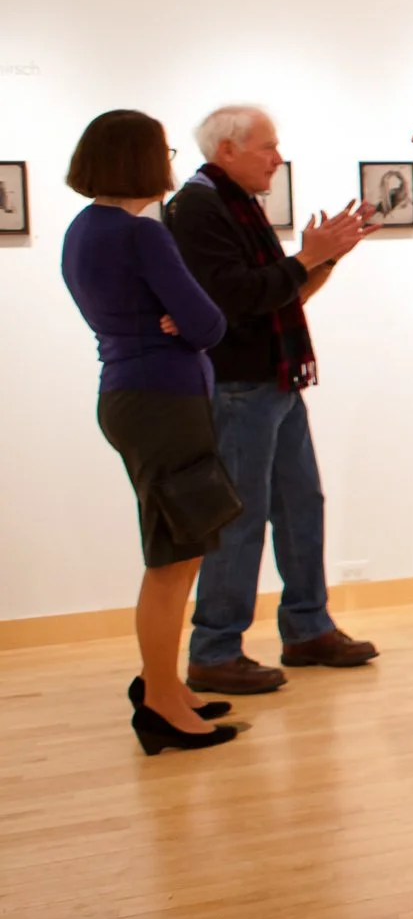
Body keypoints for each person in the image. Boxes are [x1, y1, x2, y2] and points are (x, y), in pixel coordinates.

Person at [166, 106, 377, 695]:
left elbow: (283, 295)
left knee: (301, 505)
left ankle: (308, 627)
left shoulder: (236, 205)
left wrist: (328, 254)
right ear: (227, 151)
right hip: (238, 387)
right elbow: (233, 298)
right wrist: (309, 255)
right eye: (266, 147)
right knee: (239, 520)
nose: (276, 159)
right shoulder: (199, 208)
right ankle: (214, 648)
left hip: (274, 382)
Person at [61, 110, 240, 752]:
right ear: (140, 158)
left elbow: (183, 318)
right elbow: (210, 324)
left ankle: (164, 683)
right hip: (163, 400)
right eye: (162, 149)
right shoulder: (142, 235)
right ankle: (161, 702)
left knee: (178, 543)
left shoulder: (84, 230)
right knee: (172, 555)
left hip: (129, 395)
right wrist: (183, 319)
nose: (169, 159)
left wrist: (179, 318)